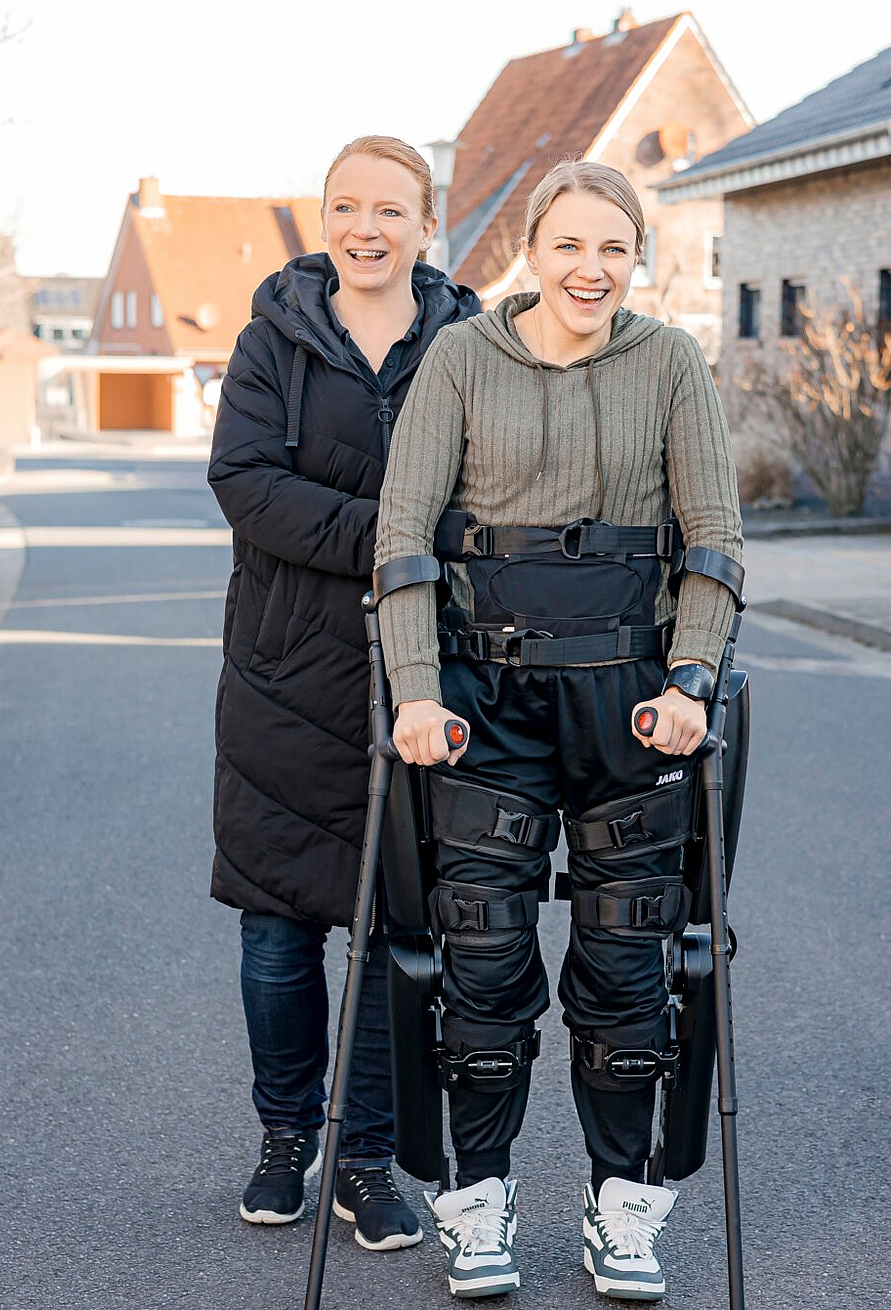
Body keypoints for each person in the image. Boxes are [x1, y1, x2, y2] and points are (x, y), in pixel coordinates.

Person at [372, 159, 744, 1301]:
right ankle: (476, 1198)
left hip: (630, 702)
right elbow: (402, 535)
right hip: (485, 703)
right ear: (530, 250)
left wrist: (691, 679)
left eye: (613, 249)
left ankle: (621, 1206)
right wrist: (416, 691)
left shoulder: (671, 361)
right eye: (569, 245)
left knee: (629, 966)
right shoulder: (460, 357)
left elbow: (714, 537)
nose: (591, 269)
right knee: (481, 960)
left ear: (637, 260)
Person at [208, 136, 481, 1252]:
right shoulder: (271, 337)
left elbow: (493, 486)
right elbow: (245, 484)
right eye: (345, 207)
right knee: (277, 929)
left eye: (389, 209)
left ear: (426, 223)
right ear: (323, 218)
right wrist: (397, 533)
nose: (365, 228)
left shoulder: (468, 341)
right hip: (281, 671)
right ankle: (287, 1139)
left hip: (423, 669)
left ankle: (364, 1158)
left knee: (390, 929)